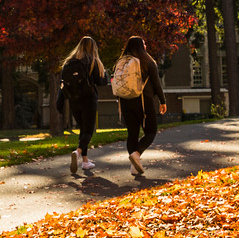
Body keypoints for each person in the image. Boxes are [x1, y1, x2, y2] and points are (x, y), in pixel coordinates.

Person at [113, 35, 166, 176]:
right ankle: (136, 154)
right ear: (141, 47)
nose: (146, 46)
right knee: (151, 131)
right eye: (144, 44)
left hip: (124, 101)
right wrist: (162, 101)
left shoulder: (121, 62)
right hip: (143, 101)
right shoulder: (147, 61)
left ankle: (134, 167)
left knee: (132, 133)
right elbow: (156, 83)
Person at [59, 36, 105, 176]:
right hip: (89, 100)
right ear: (93, 47)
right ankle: (78, 152)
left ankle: (85, 161)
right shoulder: (92, 61)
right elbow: (101, 81)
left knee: (82, 129)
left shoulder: (68, 62)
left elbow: (62, 82)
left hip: (74, 101)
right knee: (88, 130)